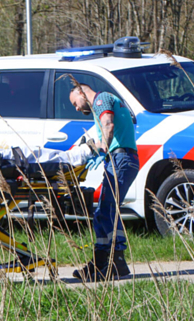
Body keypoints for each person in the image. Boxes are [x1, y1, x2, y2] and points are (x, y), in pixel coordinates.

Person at [69, 82, 138, 282]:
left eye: (75, 102)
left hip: (120, 158)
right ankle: (117, 262)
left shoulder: (101, 99)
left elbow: (108, 124)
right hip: (124, 158)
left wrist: (102, 148)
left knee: (105, 211)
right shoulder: (106, 100)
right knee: (109, 211)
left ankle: (102, 264)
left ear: (81, 91)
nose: (77, 108)